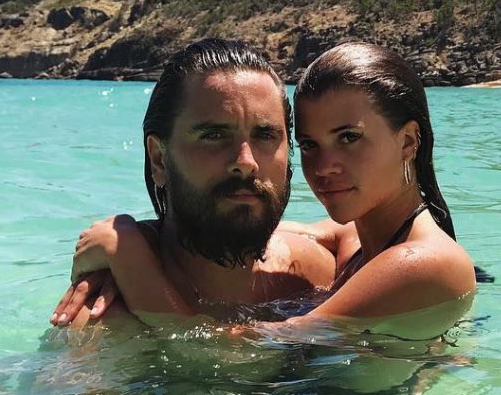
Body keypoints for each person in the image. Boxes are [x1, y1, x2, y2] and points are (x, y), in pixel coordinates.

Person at [56, 40, 475, 339]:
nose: (324, 166)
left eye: (349, 137)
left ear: (408, 142)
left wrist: (129, 254)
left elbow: (243, 353)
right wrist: (137, 232)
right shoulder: (355, 244)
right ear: (159, 159)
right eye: (309, 145)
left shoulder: (424, 261)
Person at [51, 39, 336, 327]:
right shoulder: (106, 321)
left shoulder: (318, 275)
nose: (246, 162)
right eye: (214, 136)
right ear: (159, 160)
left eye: (265, 135)